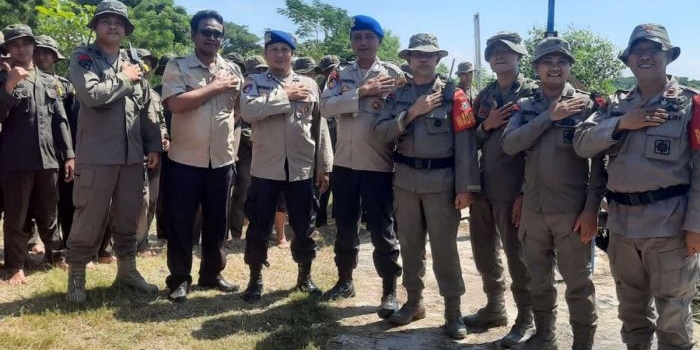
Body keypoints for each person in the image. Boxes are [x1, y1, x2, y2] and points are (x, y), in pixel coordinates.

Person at [574, 24, 699, 350]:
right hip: (621, 226)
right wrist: (622, 123)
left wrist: (696, 226)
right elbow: (582, 144)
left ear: (668, 56)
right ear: (628, 60)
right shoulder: (613, 106)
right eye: (637, 51)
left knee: (672, 314)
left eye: (653, 50)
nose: (644, 56)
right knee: (631, 312)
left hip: (668, 225)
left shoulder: (690, 105)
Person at [501, 37, 604, 350]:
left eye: (561, 61)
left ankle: (582, 344)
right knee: (539, 280)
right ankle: (545, 337)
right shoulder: (527, 106)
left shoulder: (588, 105)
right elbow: (510, 144)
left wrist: (591, 210)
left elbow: (599, 165)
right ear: (537, 67)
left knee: (578, 285)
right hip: (534, 211)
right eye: (547, 61)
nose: (554, 67)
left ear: (570, 66)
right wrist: (550, 117)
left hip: (572, 212)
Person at [375, 33, 479, 339]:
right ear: (408, 59)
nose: (423, 59)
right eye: (417, 55)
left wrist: (465, 187)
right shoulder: (397, 95)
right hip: (406, 181)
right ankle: (414, 302)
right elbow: (381, 133)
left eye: (429, 55)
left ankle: (453, 310)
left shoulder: (455, 96)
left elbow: (467, 145)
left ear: (438, 59)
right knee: (409, 245)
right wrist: (412, 113)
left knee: (445, 249)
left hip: (442, 183)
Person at [66, 0, 162, 303]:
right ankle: (77, 276)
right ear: (96, 26)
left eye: (119, 22)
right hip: (97, 157)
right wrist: (123, 78)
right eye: (106, 20)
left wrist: (153, 145)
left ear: (125, 29)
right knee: (89, 217)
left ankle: (127, 270)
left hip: (132, 158)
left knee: (128, 216)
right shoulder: (84, 57)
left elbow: (145, 106)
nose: (112, 26)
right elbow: (91, 94)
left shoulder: (133, 61)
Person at [319, 15, 403, 319]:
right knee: (344, 225)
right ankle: (345, 281)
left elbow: (403, 116)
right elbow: (325, 106)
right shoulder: (339, 75)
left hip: (378, 165)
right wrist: (362, 93)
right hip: (344, 164)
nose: (363, 43)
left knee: (382, 229)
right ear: (352, 42)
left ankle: (389, 290)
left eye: (369, 36)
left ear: (379, 40)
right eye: (358, 37)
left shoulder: (394, 74)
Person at [239, 29, 333, 302]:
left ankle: (305, 275)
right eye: (274, 50)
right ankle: (255, 277)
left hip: (301, 168)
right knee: (258, 226)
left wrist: (323, 164)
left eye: (285, 50)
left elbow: (320, 126)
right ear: (266, 54)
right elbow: (248, 112)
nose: (280, 55)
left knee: (305, 226)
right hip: (265, 168)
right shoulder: (254, 82)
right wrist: (284, 95)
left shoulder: (309, 84)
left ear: (292, 53)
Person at [161, 9, 243, 302]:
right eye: (206, 32)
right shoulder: (178, 66)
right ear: (194, 34)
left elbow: (236, 112)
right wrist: (214, 87)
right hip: (185, 159)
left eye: (217, 33)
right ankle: (180, 279)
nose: (212, 37)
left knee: (217, 221)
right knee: (182, 221)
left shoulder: (234, 70)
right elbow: (175, 104)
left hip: (221, 160)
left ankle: (212, 274)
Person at [464, 31, 535, 347]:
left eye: (506, 51)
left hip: (514, 189)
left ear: (519, 55)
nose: (499, 56)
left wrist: (526, 192)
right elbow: (469, 141)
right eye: (493, 52)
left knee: (518, 257)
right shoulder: (485, 96)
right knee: (484, 253)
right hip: (484, 186)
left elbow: (541, 148)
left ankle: (525, 317)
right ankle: (495, 308)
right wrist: (486, 125)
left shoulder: (534, 93)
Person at [0, 24, 74, 284]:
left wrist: (69, 155)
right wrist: (8, 86)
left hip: (48, 159)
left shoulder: (49, 81)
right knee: (16, 214)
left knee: (49, 210)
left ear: (33, 45)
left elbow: (61, 121)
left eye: (26, 43)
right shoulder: (2, 79)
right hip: (14, 161)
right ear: (8, 49)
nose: (21, 49)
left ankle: (55, 256)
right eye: (15, 44)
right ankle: (15, 265)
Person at [315, 54, 340, 228]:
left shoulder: (343, 86)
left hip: (342, 141)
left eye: (333, 68)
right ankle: (320, 216)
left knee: (340, 182)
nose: (331, 72)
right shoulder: (320, 90)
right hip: (326, 141)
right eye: (328, 70)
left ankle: (337, 216)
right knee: (324, 183)